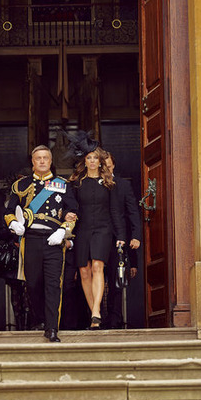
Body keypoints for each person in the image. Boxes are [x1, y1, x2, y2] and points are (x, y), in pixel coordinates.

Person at [4, 145, 77, 342]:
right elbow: (9, 210)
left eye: (46, 158)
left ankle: (52, 328)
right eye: (39, 158)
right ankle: (41, 319)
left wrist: (63, 231)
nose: (42, 161)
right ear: (33, 162)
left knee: (54, 285)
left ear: (51, 161)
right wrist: (13, 224)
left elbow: (73, 211)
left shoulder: (63, 184)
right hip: (31, 240)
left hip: (53, 240)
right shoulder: (21, 185)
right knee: (34, 283)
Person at [68, 141, 124, 330]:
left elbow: (115, 211)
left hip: (103, 229)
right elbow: (71, 208)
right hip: (82, 230)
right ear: (85, 160)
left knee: (98, 266)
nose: (92, 161)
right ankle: (95, 314)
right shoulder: (76, 183)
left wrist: (121, 234)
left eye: (95, 158)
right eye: (89, 158)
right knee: (84, 270)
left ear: (101, 161)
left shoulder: (109, 183)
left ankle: (96, 311)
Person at [104, 152, 142, 329]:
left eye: (109, 167)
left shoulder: (124, 185)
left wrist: (135, 235)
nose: (107, 170)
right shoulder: (88, 184)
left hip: (116, 241)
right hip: (93, 238)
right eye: (104, 167)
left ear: (114, 166)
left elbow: (132, 212)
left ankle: (114, 322)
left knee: (115, 282)